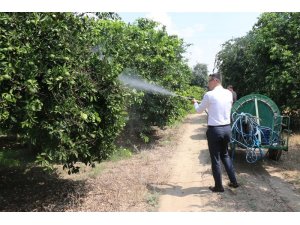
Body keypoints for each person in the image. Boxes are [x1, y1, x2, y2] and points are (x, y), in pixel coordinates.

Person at [192, 73, 239, 192]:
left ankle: (219, 186)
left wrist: (195, 103)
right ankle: (234, 182)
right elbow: (220, 106)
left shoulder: (209, 95)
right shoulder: (229, 93)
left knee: (215, 159)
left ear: (215, 80)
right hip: (227, 129)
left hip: (215, 130)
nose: (208, 84)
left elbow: (198, 110)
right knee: (225, 155)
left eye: (209, 81)